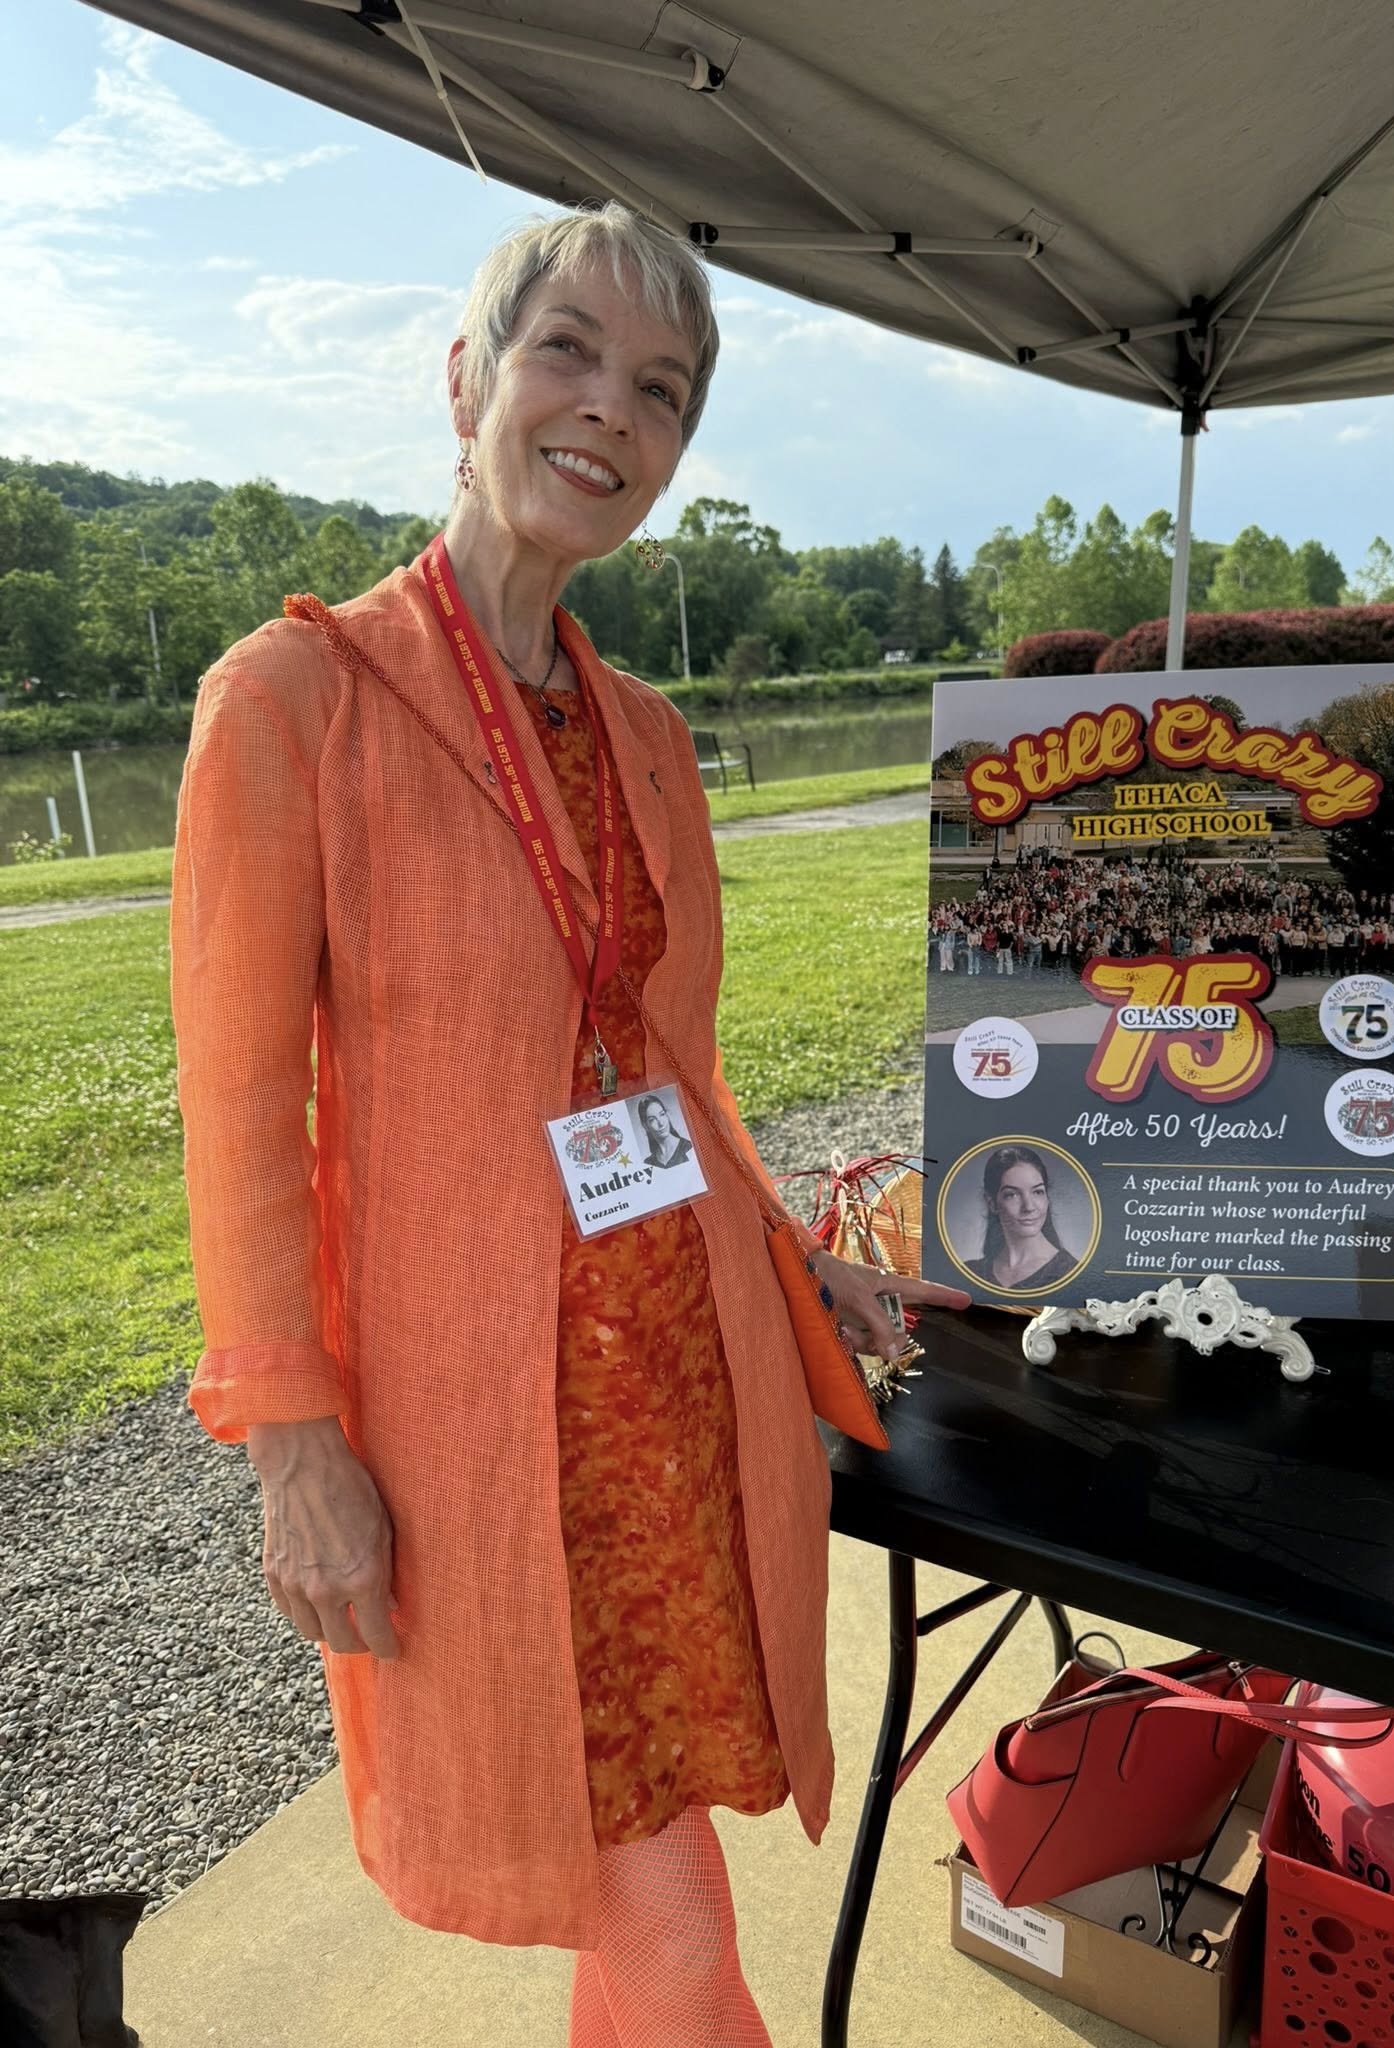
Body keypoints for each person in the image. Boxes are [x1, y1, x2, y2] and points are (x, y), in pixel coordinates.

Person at [168, 200, 971, 2045]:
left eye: (663, 389)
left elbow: (676, 1063)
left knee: (656, 1855)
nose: (613, 407)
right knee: (673, 1924)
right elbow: (238, 1115)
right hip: (483, 1419)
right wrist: (294, 1447)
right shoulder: (295, 701)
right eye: (570, 352)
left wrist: (794, 1260)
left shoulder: (649, 731)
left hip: (670, 1392)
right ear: (467, 379)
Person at [964, 1146, 1081, 1292]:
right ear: (992, 1203)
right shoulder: (970, 1273)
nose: (1029, 1207)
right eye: (1012, 1194)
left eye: (1037, 1192)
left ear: (1047, 1197)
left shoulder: (1072, 1275)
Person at [637, 1092, 694, 1170]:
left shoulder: (688, 1148)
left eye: (662, 1114)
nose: (661, 1123)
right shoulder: (648, 1163)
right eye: (652, 1120)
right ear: (645, 1126)